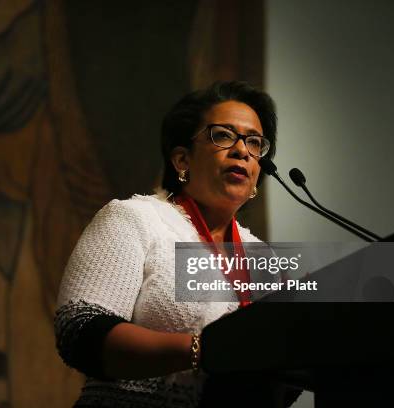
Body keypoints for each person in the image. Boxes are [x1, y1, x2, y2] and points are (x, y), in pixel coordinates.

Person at [54, 81, 280, 407]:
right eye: (223, 135)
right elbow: (80, 331)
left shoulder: (263, 257)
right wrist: (205, 351)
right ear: (182, 160)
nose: (242, 150)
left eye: (254, 142)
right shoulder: (135, 219)